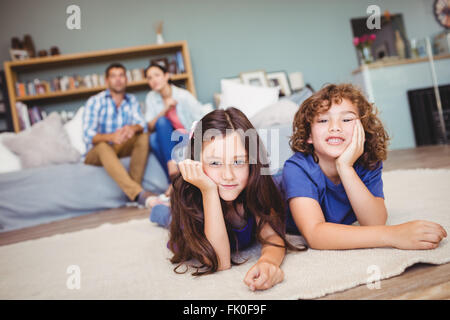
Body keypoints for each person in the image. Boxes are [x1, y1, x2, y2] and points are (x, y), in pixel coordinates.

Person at [150, 107, 305, 291]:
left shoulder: (255, 187)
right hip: (185, 212)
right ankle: (155, 205)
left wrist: (268, 262)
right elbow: (221, 262)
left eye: (239, 162)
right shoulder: (187, 198)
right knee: (165, 216)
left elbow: (271, 235)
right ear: (197, 162)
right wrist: (208, 191)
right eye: (215, 163)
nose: (228, 175)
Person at [278, 83, 447, 250]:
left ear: (364, 130)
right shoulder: (296, 169)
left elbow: (374, 222)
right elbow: (315, 235)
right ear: (309, 135)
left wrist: (345, 167)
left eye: (346, 119)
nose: (335, 127)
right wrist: (393, 235)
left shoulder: (368, 161)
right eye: (323, 120)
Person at [83, 63, 154, 205]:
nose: (118, 79)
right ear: (107, 81)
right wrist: (111, 137)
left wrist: (132, 128)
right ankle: (138, 193)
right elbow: (88, 135)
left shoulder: (131, 100)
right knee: (103, 145)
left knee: (143, 136)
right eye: (113, 76)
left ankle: (133, 194)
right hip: (96, 153)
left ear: (126, 79)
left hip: (120, 147)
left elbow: (143, 125)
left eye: (121, 75)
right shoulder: (95, 101)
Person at [144, 63, 207, 200]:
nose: (153, 80)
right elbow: (149, 126)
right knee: (154, 137)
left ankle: (173, 180)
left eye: (157, 75)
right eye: (149, 78)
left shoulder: (183, 96)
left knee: (159, 131)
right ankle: (173, 171)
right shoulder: (151, 97)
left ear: (166, 76)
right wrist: (165, 110)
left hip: (187, 136)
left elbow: (201, 120)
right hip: (169, 139)